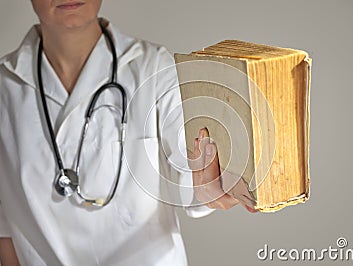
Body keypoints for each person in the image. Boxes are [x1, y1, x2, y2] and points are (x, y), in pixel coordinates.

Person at [0, 1, 255, 265]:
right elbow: (4, 230)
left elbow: (188, 175)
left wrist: (211, 184)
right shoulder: (5, 85)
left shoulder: (153, 66)